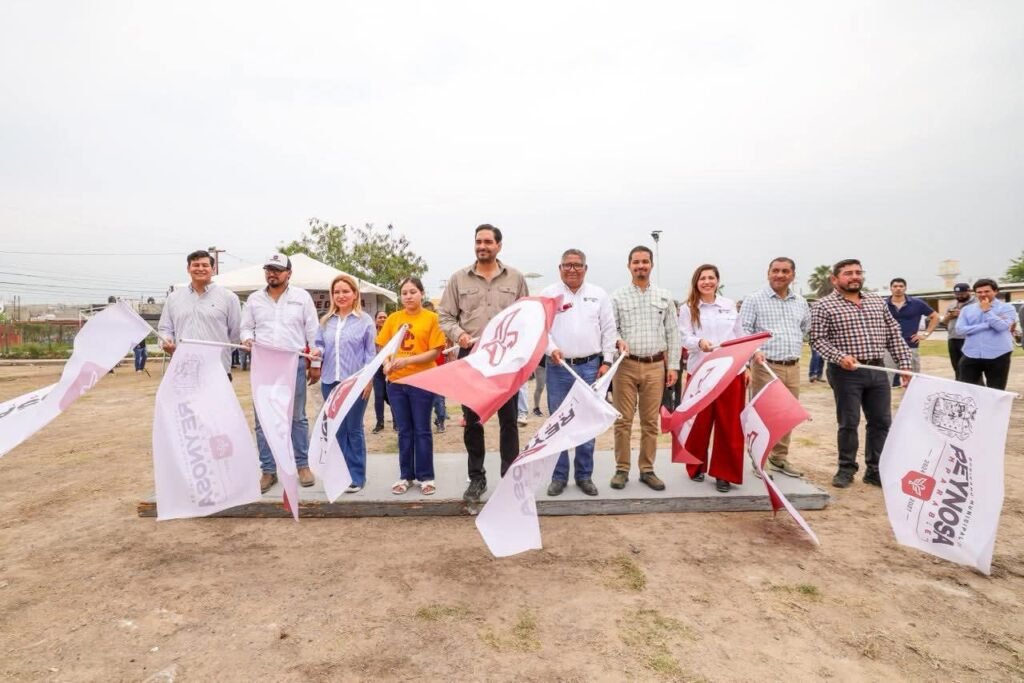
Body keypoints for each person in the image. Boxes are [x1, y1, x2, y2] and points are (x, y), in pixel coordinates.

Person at [438, 224, 529, 503]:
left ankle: (509, 477)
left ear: (499, 245)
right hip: (472, 359)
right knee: (473, 422)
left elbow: (526, 315)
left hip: (505, 361)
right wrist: (459, 335)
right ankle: (476, 478)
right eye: (478, 241)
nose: (482, 246)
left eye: (488, 242)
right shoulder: (458, 279)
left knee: (509, 421)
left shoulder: (515, 278)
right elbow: (445, 316)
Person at [810, 259, 912, 489]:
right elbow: (817, 339)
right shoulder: (823, 306)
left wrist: (904, 364)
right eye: (848, 273)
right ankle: (846, 468)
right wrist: (839, 357)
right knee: (849, 422)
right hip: (845, 373)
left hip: (877, 369)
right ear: (835, 279)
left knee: (881, 421)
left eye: (858, 272)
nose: (855, 277)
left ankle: (875, 470)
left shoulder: (876, 301)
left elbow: (893, 334)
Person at [241, 253, 322, 493]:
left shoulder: (302, 297)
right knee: (263, 419)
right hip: (263, 364)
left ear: (289, 273)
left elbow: (313, 331)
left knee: (297, 417)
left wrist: (315, 364)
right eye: (269, 269)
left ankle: (302, 466)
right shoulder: (254, 299)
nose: (272, 274)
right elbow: (246, 328)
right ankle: (268, 470)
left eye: (277, 269)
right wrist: (247, 339)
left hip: (293, 363)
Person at [541, 248, 617, 497]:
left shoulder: (599, 295)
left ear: (585, 268)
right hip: (558, 368)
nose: (572, 269)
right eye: (567, 265)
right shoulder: (549, 295)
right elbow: (542, 330)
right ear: (560, 268)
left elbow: (609, 330)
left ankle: (584, 476)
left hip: (590, 367)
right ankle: (559, 476)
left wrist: (607, 361)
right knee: (558, 422)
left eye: (577, 265)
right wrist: (551, 349)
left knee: (586, 422)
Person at [610, 245, 680, 491]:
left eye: (645, 261)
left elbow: (673, 333)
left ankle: (647, 469)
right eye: (636, 262)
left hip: (655, 366)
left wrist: (673, 366)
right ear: (629, 265)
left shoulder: (664, 296)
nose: (640, 266)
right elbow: (611, 329)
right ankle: (621, 469)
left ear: (651, 264)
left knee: (650, 422)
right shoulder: (617, 297)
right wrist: (618, 341)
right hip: (625, 367)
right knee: (623, 421)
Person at [740, 257, 810, 478]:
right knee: (764, 415)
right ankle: (759, 458)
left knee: (787, 414)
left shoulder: (800, 302)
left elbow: (804, 328)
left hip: (793, 365)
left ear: (793, 275)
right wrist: (754, 351)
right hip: (765, 366)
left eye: (785, 271)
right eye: (776, 270)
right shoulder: (754, 300)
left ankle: (779, 457)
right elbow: (743, 330)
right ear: (768, 273)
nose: (780, 275)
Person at [679, 265, 746, 493]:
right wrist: (699, 343)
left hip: (731, 370)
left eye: (711, 278)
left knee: (729, 424)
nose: (707, 282)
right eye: (702, 278)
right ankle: (695, 465)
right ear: (696, 282)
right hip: (701, 371)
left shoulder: (729, 305)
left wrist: (752, 354)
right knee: (699, 421)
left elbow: (740, 334)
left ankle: (723, 473)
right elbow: (684, 336)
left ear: (717, 281)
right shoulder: (687, 308)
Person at [377, 277, 447, 496]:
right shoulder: (393, 318)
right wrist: (386, 364)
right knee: (404, 431)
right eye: (404, 293)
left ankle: (426, 477)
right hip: (396, 384)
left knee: (422, 429)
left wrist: (407, 361)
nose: (408, 296)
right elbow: (383, 347)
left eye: (413, 292)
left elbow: (435, 351)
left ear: (422, 293)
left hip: (422, 381)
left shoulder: (432, 318)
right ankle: (405, 475)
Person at [313, 274, 376, 493]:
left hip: (356, 382)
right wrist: (317, 352)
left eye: (345, 291)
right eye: (336, 292)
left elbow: (370, 354)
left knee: (353, 428)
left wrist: (368, 380)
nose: (341, 295)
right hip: (330, 381)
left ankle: (357, 476)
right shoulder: (325, 321)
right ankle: (340, 475)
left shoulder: (365, 321)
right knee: (336, 430)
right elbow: (320, 345)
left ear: (355, 294)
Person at [157, 249, 241, 376]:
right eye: (196, 265)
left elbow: (235, 335)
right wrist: (166, 340)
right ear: (188, 268)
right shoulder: (173, 298)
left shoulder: (229, 298)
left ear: (213, 269)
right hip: (183, 370)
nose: (200, 268)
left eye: (205, 265)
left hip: (217, 371)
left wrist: (220, 353)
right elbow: (165, 328)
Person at [957, 278, 1015, 391]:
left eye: (987, 291)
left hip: (998, 354)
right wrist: (987, 325)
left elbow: (1001, 327)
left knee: (996, 390)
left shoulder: (1007, 308)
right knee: (966, 389)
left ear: (995, 291)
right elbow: (960, 330)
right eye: (979, 292)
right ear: (975, 293)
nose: (983, 294)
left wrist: (987, 311)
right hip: (971, 353)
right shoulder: (967, 310)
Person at [885, 278, 939, 387]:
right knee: (886, 378)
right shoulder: (883, 304)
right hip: (888, 346)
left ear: (905, 288)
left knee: (913, 378)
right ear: (890, 288)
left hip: (910, 344)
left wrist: (925, 334)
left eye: (901, 286)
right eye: (895, 286)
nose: (898, 289)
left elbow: (935, 317)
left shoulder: (917, 303)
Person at [940, 282, 975, 380]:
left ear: (969, 291)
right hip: (953, 338)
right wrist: (950, 316)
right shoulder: (952, 304)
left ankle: (975, 385)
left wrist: (962, 315)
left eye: (962, 294)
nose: (959, 296)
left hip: (968, 338)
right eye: (957, 294)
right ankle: (959, 383)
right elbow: (943, 322)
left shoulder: (975, 303)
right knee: (957, 365)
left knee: (970, 365)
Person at [370, 310, 394, 433]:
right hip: (377, 369)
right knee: (379, 396)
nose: (383, 319)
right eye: (380, 317)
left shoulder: (393, 332)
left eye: (385, 317)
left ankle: (397, 423)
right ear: (375, 320)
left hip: (391, 368)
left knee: (392, 396)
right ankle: (380, 423)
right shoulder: (372, 334)